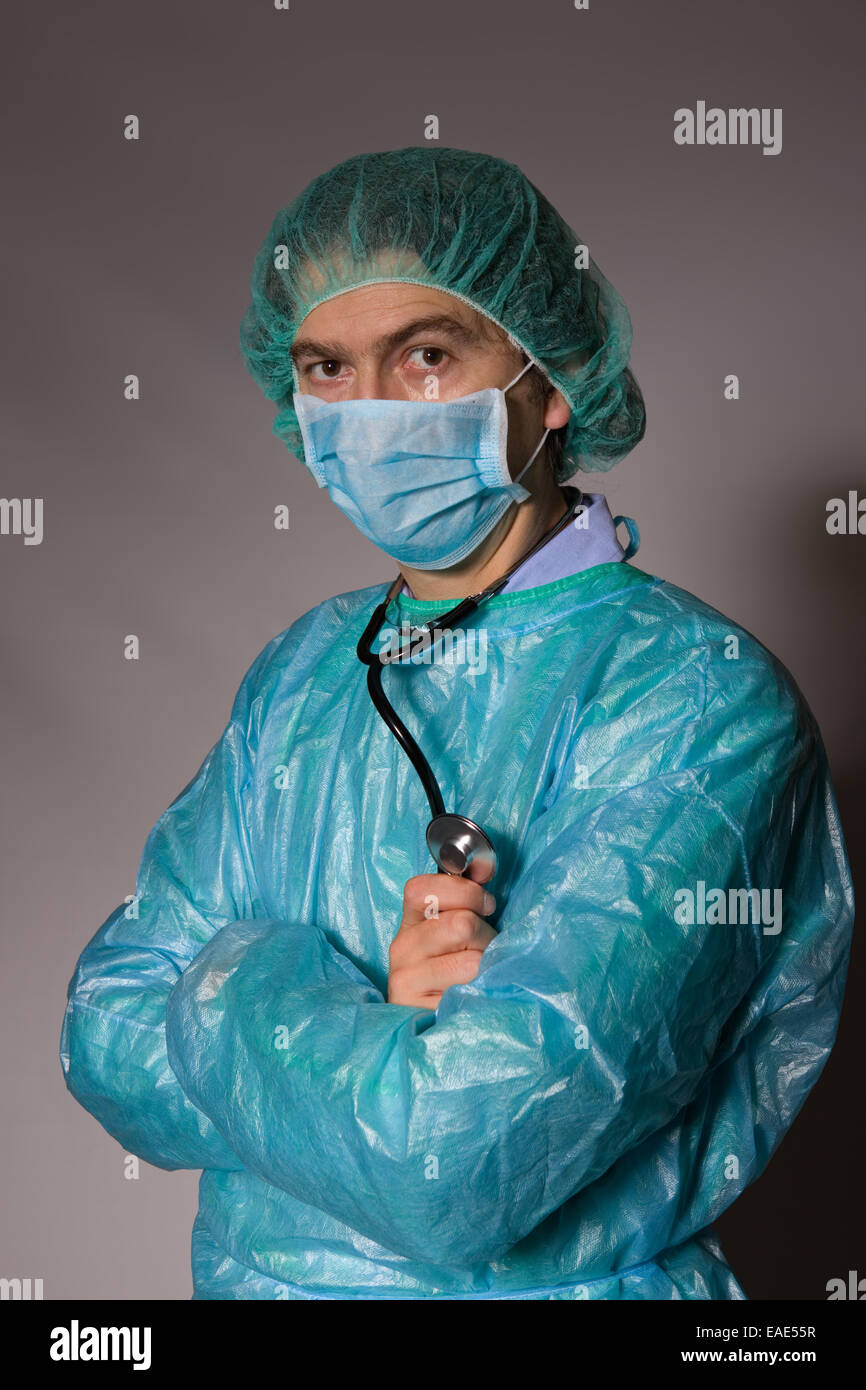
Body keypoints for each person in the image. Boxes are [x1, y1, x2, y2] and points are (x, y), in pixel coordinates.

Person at [60, 146, 854, 1301]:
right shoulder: (303, 673)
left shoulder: (698, 698)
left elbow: (459, 1161)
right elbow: (104, 1042)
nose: (367, 411)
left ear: (551, 377)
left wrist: (230, 981)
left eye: (424, 356)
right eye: (327, 367)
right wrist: (358, 1015)